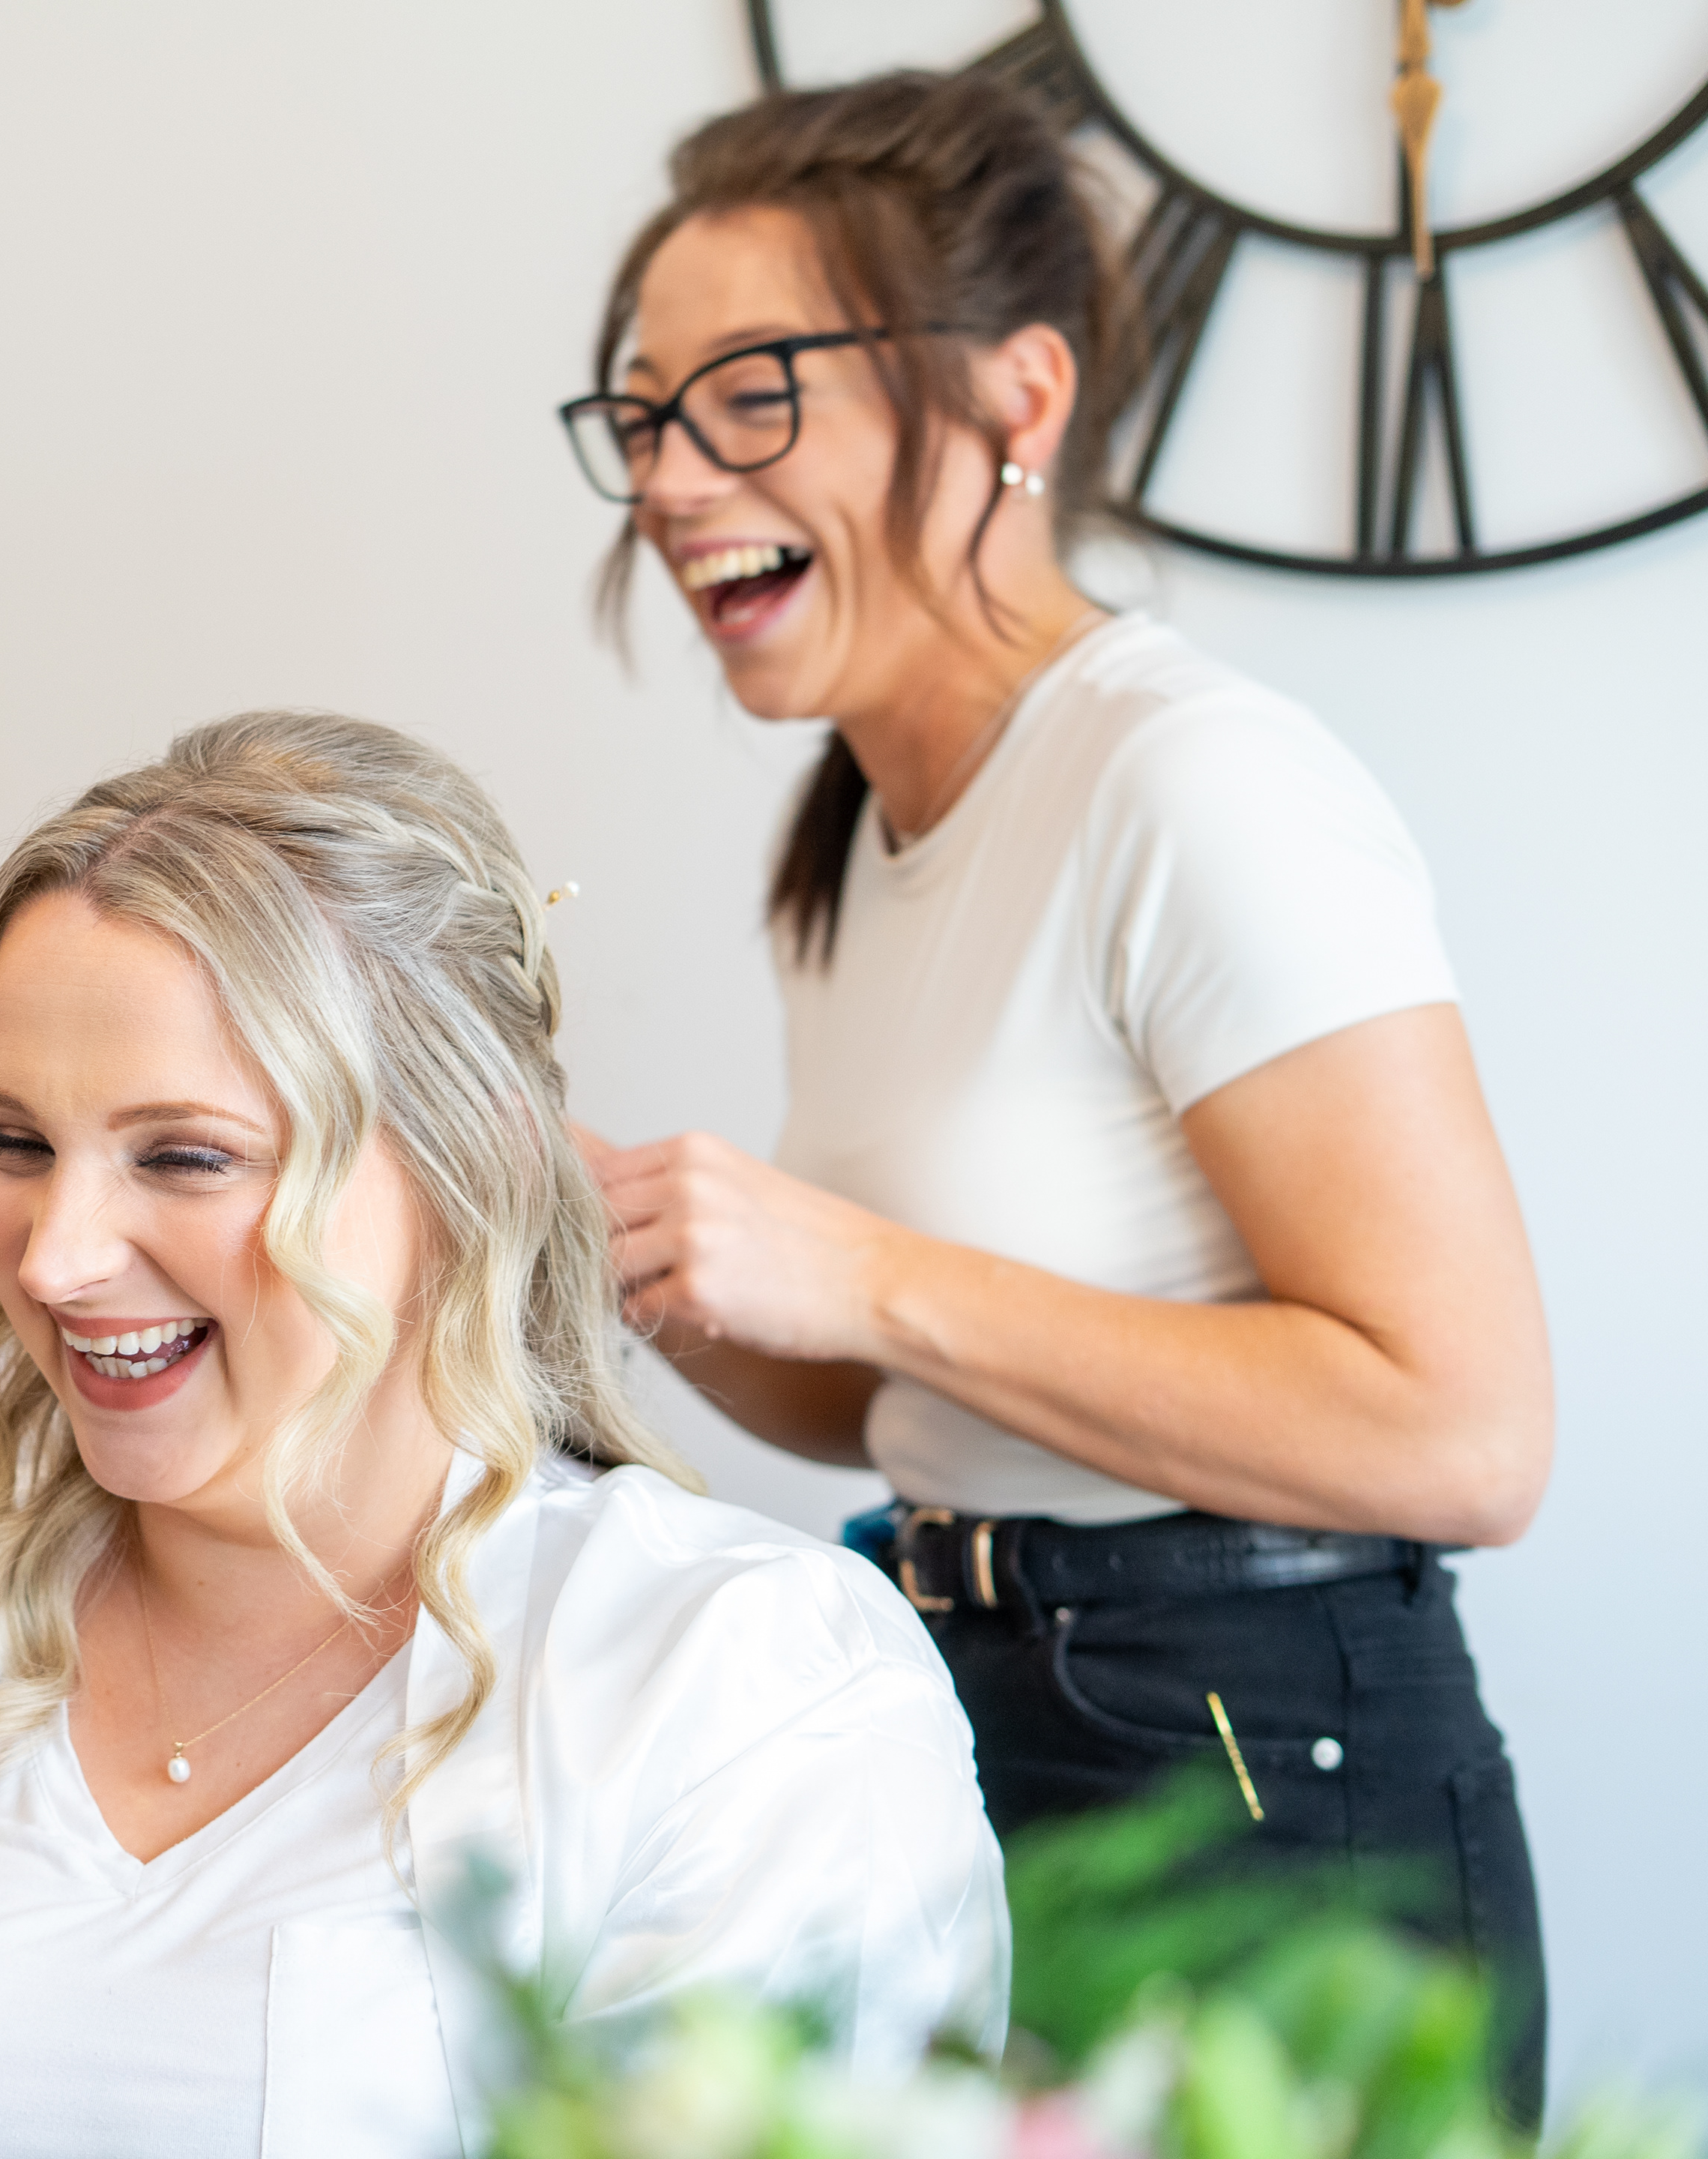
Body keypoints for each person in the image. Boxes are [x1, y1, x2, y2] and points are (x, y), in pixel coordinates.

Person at [0, 712, 1005, 2158]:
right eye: (15, 1142)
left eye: (186, 1157)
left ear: (470, 1162)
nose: (57, 1259)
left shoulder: (742, 1695)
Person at [557, 73, 1552, 2119]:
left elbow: (1464, 1435)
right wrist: (614, 1256)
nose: (669, 478)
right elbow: (903, 1403)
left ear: (1018, 398)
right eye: (643, 417)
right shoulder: (859, 832)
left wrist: (871, 1273)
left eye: (750, 396)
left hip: (1253, 1774)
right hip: (973, 1699)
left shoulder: (1192, 781)